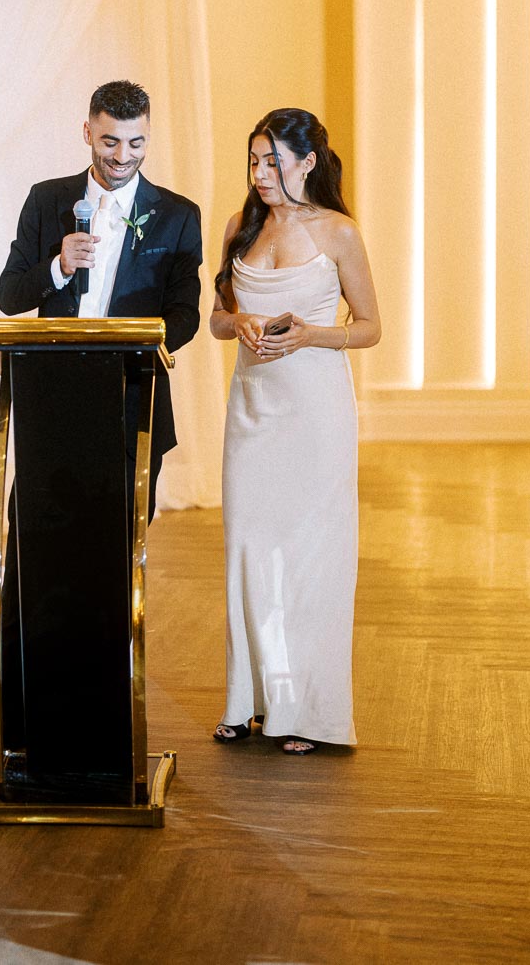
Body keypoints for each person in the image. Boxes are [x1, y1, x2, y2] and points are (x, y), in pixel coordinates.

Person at [0, 79, 203, 766]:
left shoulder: (178, 216)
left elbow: (185, 313)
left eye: (137, 143)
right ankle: (8, 719)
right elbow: (10, 294)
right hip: (53, 409)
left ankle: (101, 720)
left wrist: (148, 340)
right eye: (111, 141)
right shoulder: (47, 199)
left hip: (130, 408)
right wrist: (58, 265)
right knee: (29, 566)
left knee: (114, 566)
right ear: (87, 132)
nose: (123, 156)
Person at [209, 108, 380, 755]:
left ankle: (304, 711)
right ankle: (247, 699)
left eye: (272, 161)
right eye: (254, 161)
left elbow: (370, 327)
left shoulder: (339, 232)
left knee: (309, 558)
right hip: (252, 412)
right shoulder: (240, 227)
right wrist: (238, 324)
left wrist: (312, 335)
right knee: (248, 550)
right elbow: (217, 316)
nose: (260, 173)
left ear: (307, 162)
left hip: (316, 415)